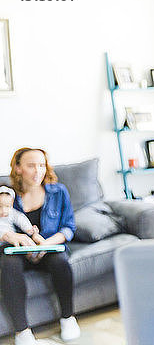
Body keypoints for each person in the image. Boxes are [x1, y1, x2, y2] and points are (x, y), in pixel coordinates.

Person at [0, 148, 80, 345]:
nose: (38, 171)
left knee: (60, 261)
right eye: (31, 166)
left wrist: (45, 244)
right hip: (18, 252)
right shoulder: (6, 196)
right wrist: (12, 236)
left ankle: (68, 318)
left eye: (41, 165)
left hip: (48, 248)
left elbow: (68, 227)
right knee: (8, 265)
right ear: (18, 168)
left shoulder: (58, 191)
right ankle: (22, 332)